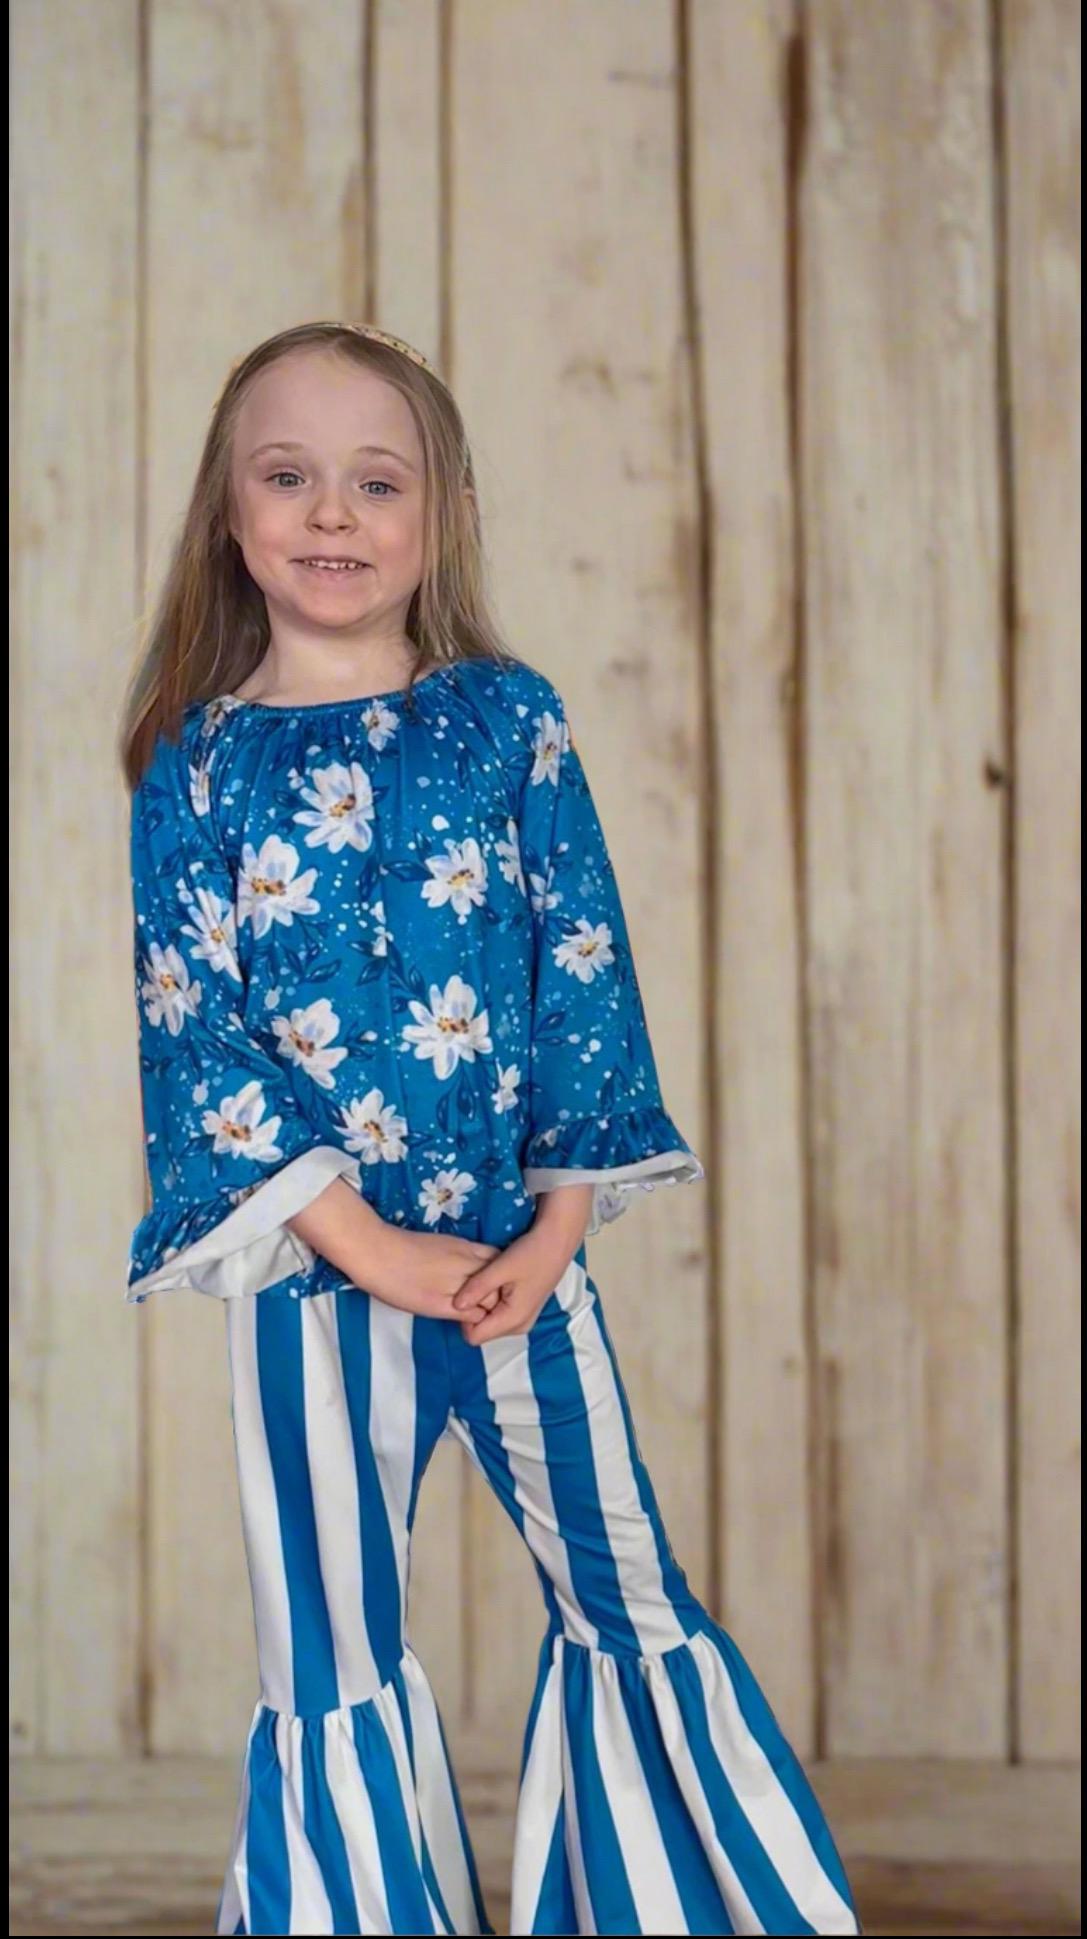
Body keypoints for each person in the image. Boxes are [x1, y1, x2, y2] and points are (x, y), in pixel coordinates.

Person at [118, 321, 859, 1937]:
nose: (332, 514)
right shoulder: (196, 766)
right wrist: (370, 1247)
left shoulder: (508, 724)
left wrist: (555, 1232)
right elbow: (203, 1038)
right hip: (320, 1293)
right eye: (290, 477)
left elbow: (579, 968)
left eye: (374, 481)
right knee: (330, 1652)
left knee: (628, 1597)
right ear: (229, 514)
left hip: (522, 1278)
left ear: (438, 512)